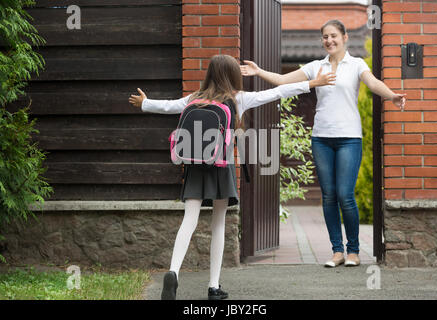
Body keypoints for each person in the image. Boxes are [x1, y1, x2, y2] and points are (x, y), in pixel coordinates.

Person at [129, 54, 335, 299]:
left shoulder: (193, 98)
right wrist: (311, 84)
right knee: (218, 224)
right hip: (220, 165)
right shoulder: (238, 98)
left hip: (193, 166)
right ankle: (214, 286)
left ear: (210, 74)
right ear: (232, 76)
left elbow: (168, 105)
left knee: (189, 220)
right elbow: (277, 93)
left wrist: (145, 103)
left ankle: (173, 271)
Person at [241, 19, 406, 268]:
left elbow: (373, 84)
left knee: (345, 195)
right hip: (321, 139)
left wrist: (392, 95)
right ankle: (337, 252)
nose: (329, 40)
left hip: (349, 138)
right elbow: (283, 80)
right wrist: (258, 71)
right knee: (328, 196)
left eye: (333, 36)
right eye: (325, 37)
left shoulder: (356, 64)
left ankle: (354, 251)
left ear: (344, 37)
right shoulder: (316, 67)